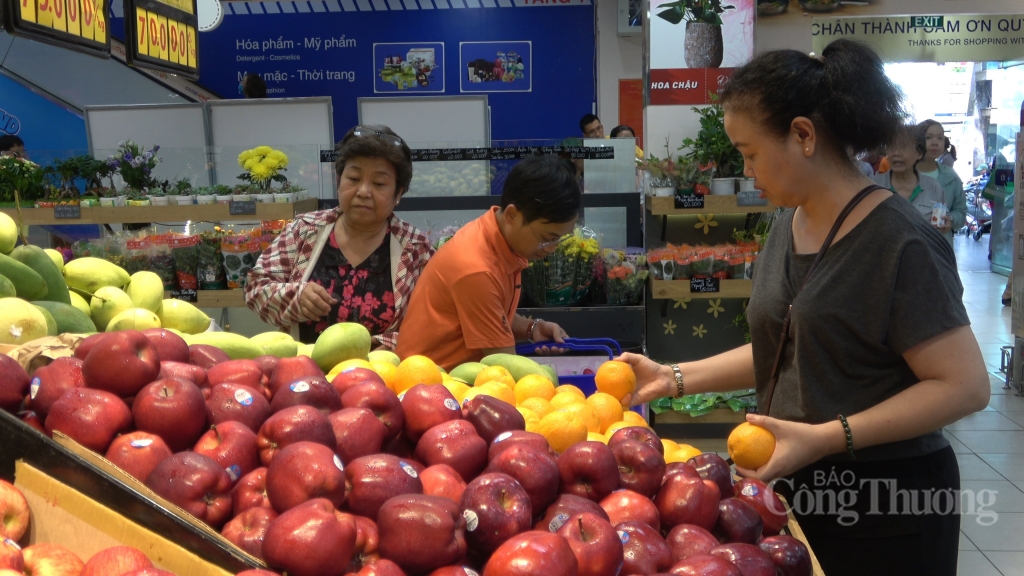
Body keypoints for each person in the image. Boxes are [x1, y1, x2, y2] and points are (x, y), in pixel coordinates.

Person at [617, 40, 988, 576]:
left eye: (750, 154)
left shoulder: (899, 243)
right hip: (796, 483)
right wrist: (672, 376)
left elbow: (965, 386)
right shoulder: (787, 224)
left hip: (889, 500)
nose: (748, 171)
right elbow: (787, 344)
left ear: (803, 136)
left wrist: (824, 436)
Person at [245, 125, 434, 350]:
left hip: (384, 377)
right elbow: (255, 288)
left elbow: (433, 323)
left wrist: (386, 344)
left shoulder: (416, 250)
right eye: (353, 178)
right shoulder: (304, 231)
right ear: (338, 181)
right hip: (302, 373)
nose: (363, 191)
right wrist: (295, 296)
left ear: (398, 193)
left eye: (379, 184)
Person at [397, 156, 579, 370]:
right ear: (512, 214)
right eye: (547, 238)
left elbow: (490, 314)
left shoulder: (494, 237)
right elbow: (505, 369)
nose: (552, 248)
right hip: (431, 385)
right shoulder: (476, 268)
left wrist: (532, 328)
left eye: (559, 239)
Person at [870, 125, 946, 226]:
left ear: (919, 153)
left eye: (903, 147)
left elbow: (942, 220)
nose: (896, 153)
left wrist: (946, 224)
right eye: (892, 147)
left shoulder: (933, 187)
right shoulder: (872, 186)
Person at [916, 120, 967, 243]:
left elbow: (961, 211)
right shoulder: (904, 174)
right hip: (910, 246)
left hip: (941, 247)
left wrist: (951, 220)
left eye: (940, 138)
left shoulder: (951, 177)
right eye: (928, 137)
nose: (935, 143)